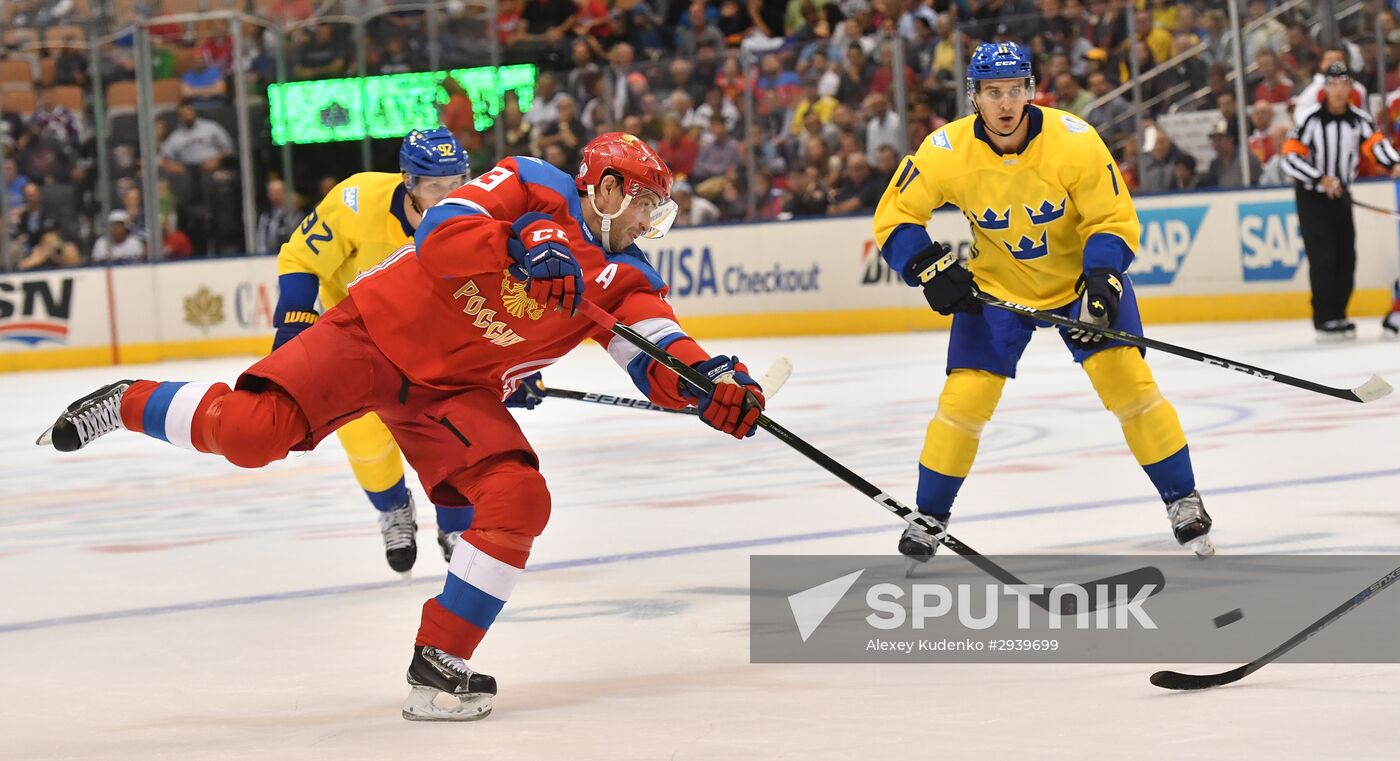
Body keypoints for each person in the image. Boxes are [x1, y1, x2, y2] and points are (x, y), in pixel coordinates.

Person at [37, 132, 766, 721]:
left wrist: (714, 387)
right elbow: (444, 233)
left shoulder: (629, 279)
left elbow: (662, 355)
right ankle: (130, 399)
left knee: (519, 496)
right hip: (374, 331)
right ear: (605, 188)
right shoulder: (531, 181)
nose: (648, 223)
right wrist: (519, 245)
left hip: (450, 391)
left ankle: (440, 659)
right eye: (645, 205)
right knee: (255, 434)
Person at [871, 43, 1214, 566]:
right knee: (962, 403)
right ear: (975, 99)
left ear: (1030, 92)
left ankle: (1183, 499)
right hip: (995, 291)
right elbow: (895, 217)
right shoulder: (944, 150)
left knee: (1133, 392)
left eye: (1014, 91)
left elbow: (1112, 219)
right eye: (992, 93)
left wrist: (1102, 279)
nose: (1005, 104)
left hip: (1080, 285)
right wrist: (927, 268)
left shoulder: (1075, 141)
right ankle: (930, 515)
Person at [268, 127, 546, 575]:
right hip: (359, 343)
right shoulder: (357, 200)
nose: (448, 196)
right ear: (407, 182)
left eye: (457, 184)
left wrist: (516, 367)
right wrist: (294, 314)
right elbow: (302, 257)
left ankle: (455, 525)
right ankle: (394, 507)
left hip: (441, 352)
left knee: (456, 437)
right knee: (365, 440)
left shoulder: (485, 214)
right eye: (435, 187)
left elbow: (502, 300)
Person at [1281, 63, 1400, 342]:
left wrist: (1394, 163)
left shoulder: (1358, 119)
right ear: (1326, 88)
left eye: (1344, 83)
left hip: (1341, 195)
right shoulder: (1309, 119)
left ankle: (1340, 314)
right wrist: (1320, 179)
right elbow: (1290, 157)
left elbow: (1375, 143)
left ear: (1350, 88)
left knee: (1347, 256)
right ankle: (1325, 318)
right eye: (1333, 83)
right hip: (1313, 196)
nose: (1338, 89)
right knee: (1323, 256)